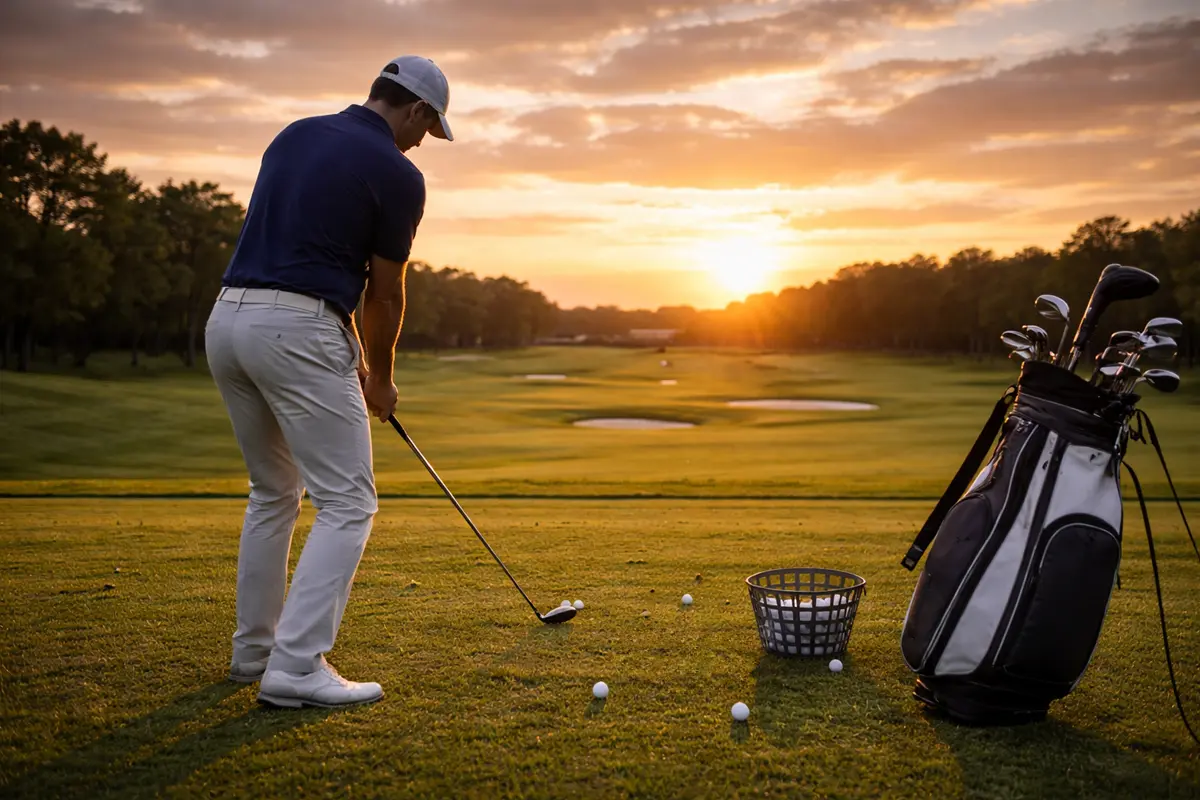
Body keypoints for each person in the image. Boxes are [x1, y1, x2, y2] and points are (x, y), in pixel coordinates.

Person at [204, 55, 453, 708]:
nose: (424, 141)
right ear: (418, 110)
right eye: (429, 127)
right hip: (298, 329)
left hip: (228, 320)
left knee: (273, 492)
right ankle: (295, 666)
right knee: (349, 502)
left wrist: (352, 354)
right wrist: (382, 379)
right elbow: (387, 294)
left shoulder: (295, 133)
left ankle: (252, 654)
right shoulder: (400, 174)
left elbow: (304, 244)